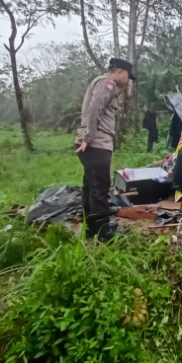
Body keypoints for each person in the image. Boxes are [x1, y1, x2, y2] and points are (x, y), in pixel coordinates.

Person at [75, 58, 135, 241]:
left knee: (91, 187)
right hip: (97, 144)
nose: (128, 80)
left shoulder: (103, 83)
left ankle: (91, 228)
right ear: (120, 72)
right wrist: (89, 137)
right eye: (127, 76)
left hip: (94, 144)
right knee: (100, 188)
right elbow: (95, 109)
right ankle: (103, 233)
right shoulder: (107, 83)